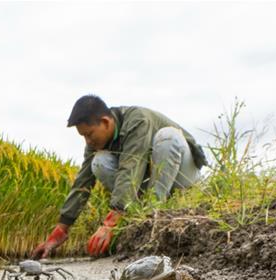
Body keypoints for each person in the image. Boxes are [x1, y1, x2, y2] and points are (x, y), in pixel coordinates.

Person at [32, 95, 207, 258]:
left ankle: (153, 216)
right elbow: (82, 182)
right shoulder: (95, 143)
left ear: (106, 122)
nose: (87, 141)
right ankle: (136, 216)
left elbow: (130, 167)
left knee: (167, 136)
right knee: (98, 162)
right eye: (83, 136)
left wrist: (109, 223)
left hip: (183, 175)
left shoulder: (138, 120)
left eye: (89, 134)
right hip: (149, 180)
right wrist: (61, 230)